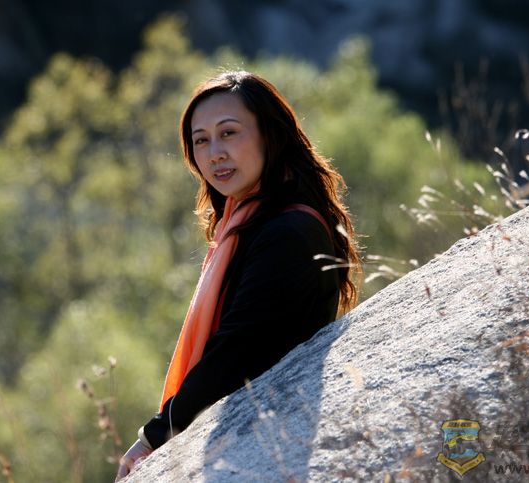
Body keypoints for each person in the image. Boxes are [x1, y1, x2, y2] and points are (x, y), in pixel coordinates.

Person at [115, 70, 361, 480]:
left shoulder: (289, 231)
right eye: (201, 141)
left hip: (273, 445)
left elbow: (236, 350)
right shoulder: (249, 224)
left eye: (229, 133)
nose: (215, 153)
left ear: (270, 135)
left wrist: (154, 437)